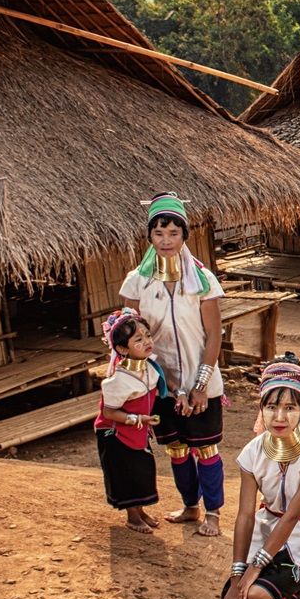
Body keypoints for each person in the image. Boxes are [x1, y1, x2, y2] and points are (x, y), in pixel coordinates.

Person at [119, 192, 226, 536]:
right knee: (177, 451)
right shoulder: (137, 282)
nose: (166, 241)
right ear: (149, 235)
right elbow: (129, 339)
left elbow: (214, 336)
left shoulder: (203, 280)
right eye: (159, 233)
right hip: (158, 384)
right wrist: (166, 387)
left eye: (173, 234)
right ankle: (191, 507)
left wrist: (198, 387)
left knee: (206, 449)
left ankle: (214, 513)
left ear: (184, 236)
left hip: (202, 383)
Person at [218, 355, 300, 599]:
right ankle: (283, 597)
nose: (280, 417)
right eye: (271, 407)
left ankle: (298, 597)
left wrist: (252, 572)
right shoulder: (253, 452)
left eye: (289, 408)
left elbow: (293, 516)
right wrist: (237, 577)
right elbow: (246, 516)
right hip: (264, 532)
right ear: (261, 409)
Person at [94, 308, 167, 533]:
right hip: (115, 433)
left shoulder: (149, 368)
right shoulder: (118, 380)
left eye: (147, 335)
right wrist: (138, 418)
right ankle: (132, 516)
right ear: (122, 349)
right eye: (138, 339)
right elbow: (109, 413)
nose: (146, 341)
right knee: (125, 472)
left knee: (141, 469)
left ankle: (141, 510)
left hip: (137, 429)